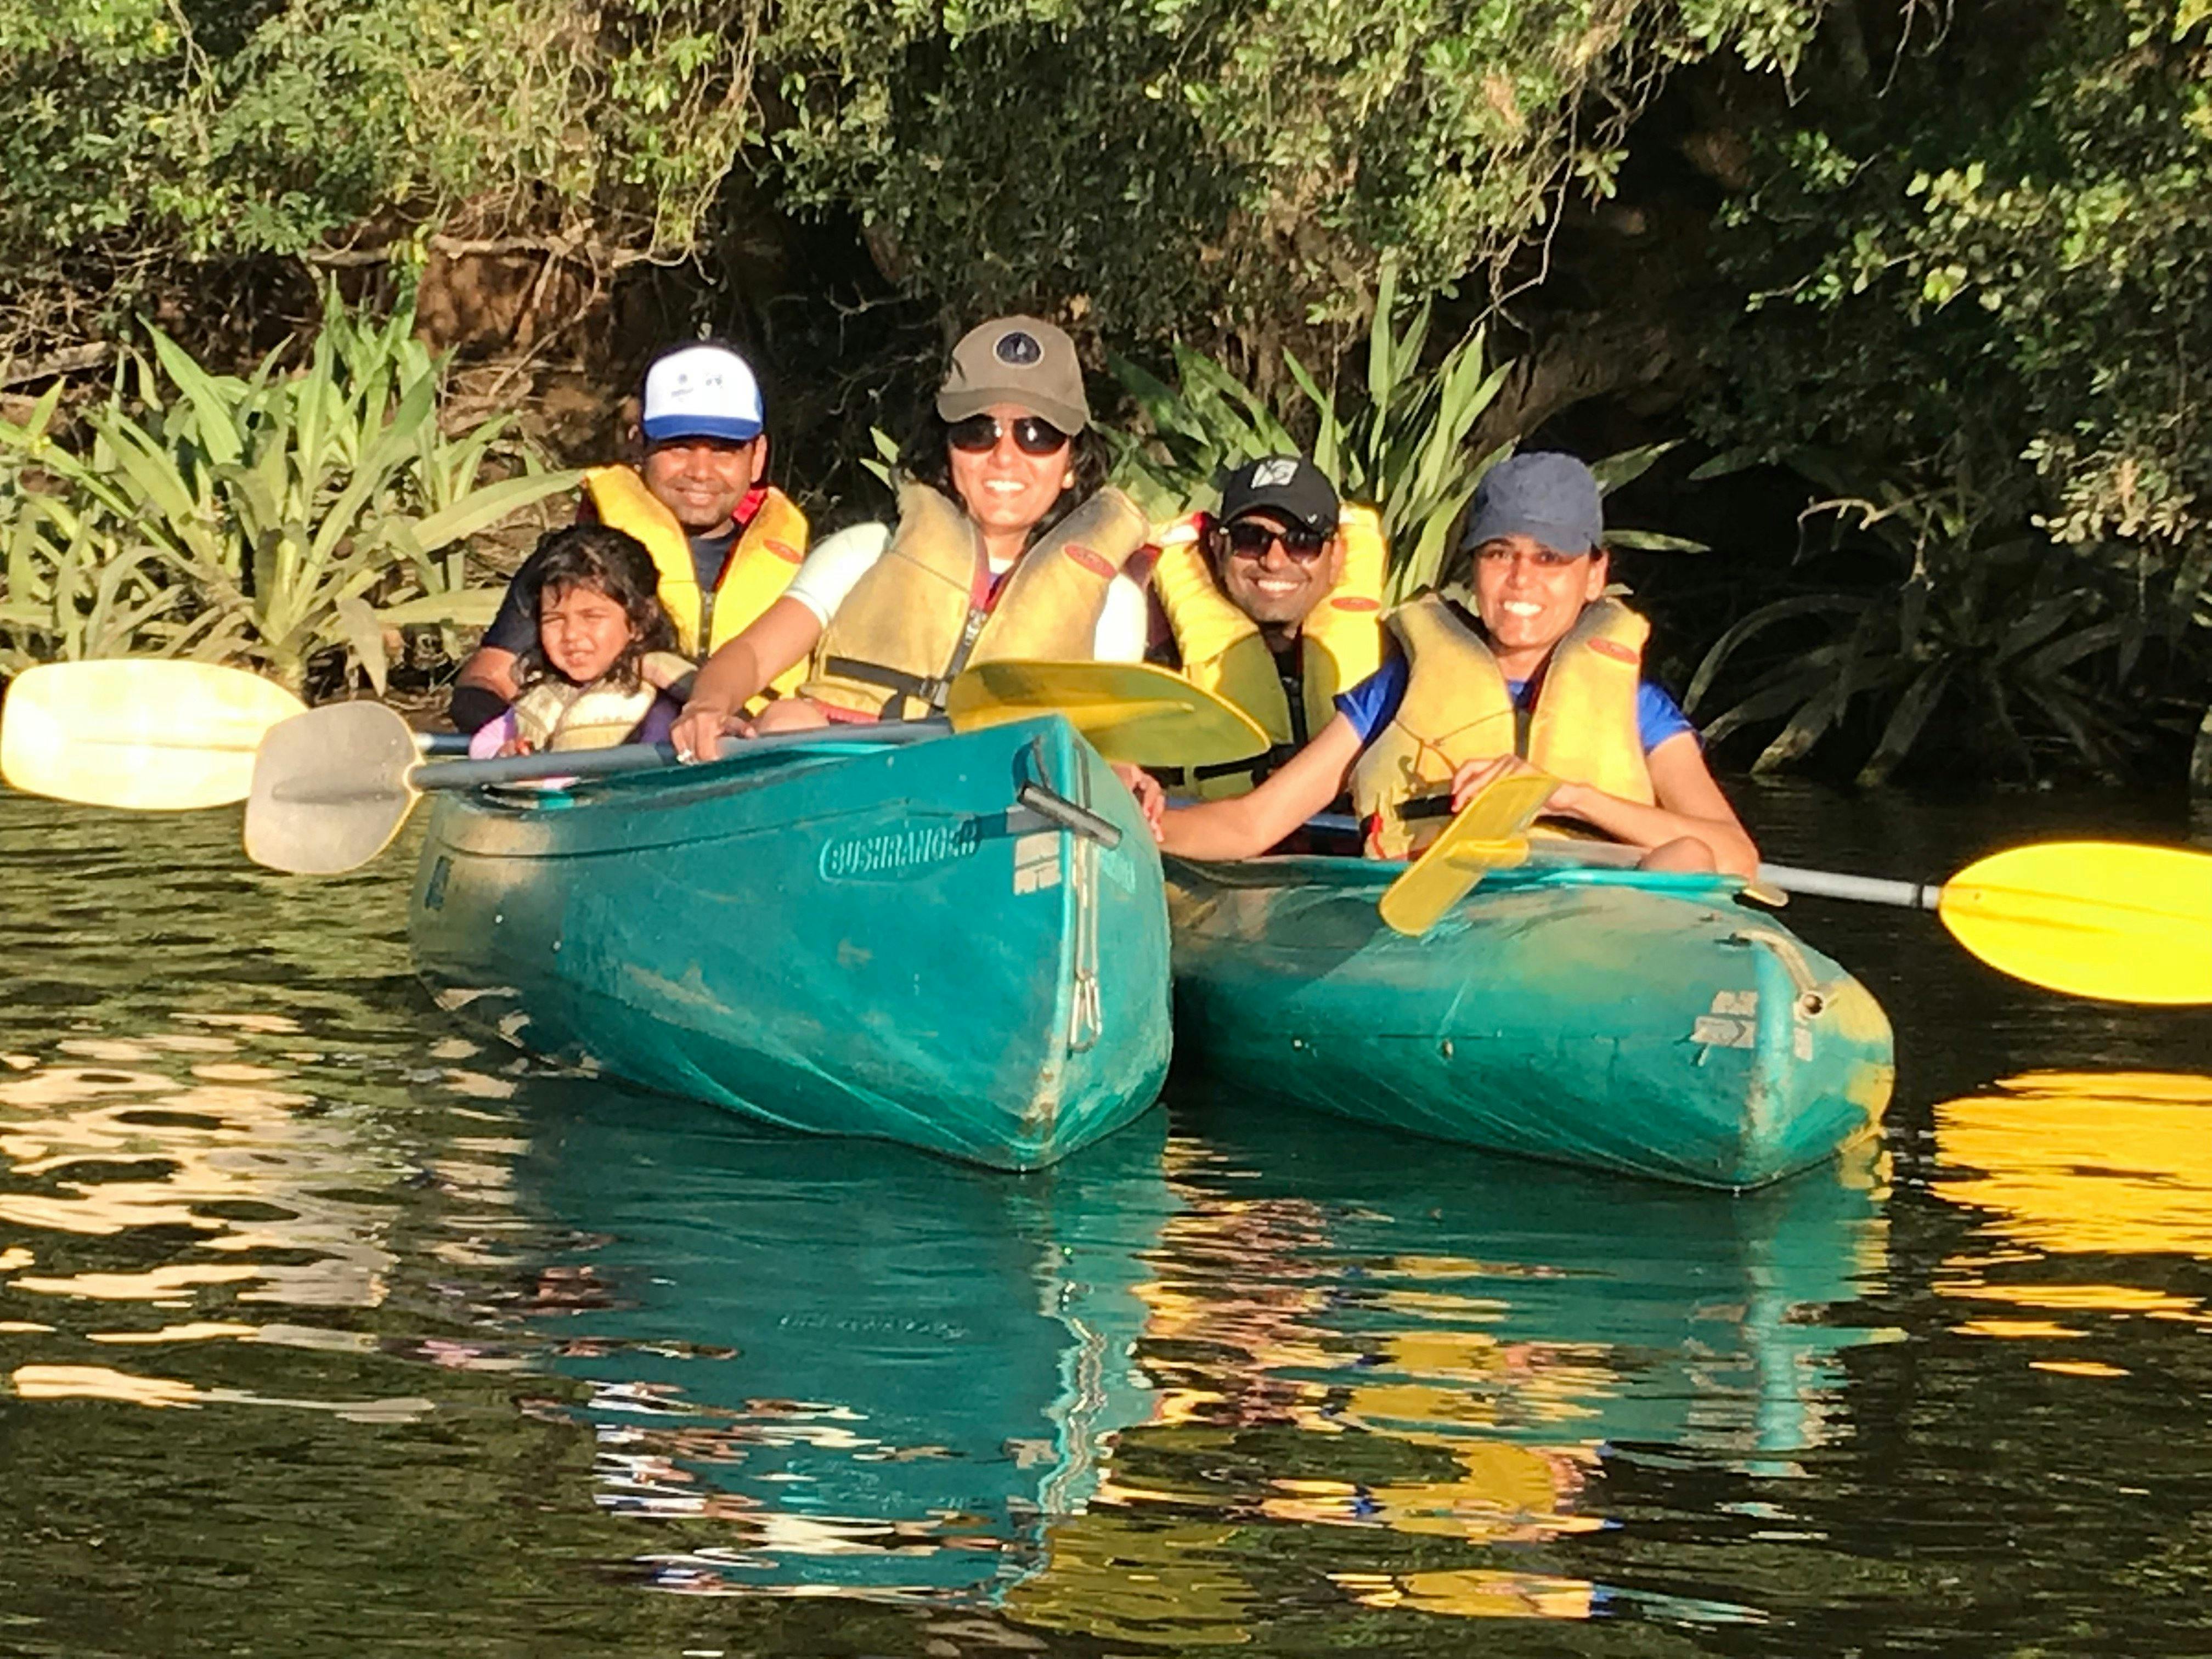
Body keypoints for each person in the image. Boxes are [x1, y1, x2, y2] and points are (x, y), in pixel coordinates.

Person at [1142, 452, 1758, 876]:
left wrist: (1567, 797)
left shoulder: (1639, 707)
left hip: (1592, 928)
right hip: (1447, 933)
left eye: (1550, 558)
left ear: (1595, 575)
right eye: (1499, 554)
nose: (1521, 580)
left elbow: (1737, 855)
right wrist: (1130, 823)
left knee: (1688, 858)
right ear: (1474, 567)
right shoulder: (1399, 687)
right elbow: (1253, 825)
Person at [668, 315, 1151, 761]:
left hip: (995, 799)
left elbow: (1106, 752)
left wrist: (1124, 774)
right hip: (846, 786)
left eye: (1037, 435)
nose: (1005, 456)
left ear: (1071, 465)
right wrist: (707, 705)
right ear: (946, 448)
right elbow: (753, 657)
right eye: (977, 430)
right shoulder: (866, 551)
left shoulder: (1112, 603)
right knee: (788, 720)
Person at [449, 340, 809, 735]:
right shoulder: (575, 560)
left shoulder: (809, 570)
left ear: (757, 456)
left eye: (724, 450)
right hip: (611, 755)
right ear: (638, 444)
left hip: (756, 752)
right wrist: (509, 735)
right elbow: (488, 677)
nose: (701, 471)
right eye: (678, 447)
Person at [1148, 455, 1385, 798]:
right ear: (1218, 547)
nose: (1274, 561)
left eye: (1302, 541)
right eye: (1250, 537)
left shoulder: (1397, 667)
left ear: (1336, 557)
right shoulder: (1154, 671)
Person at [465, 525, 692, 758]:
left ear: (640, 620)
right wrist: (504, 753)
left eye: (592, 617)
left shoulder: (658, 702)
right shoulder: (544, 692)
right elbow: (484, 742)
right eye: (554, 619)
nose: (571, 635)